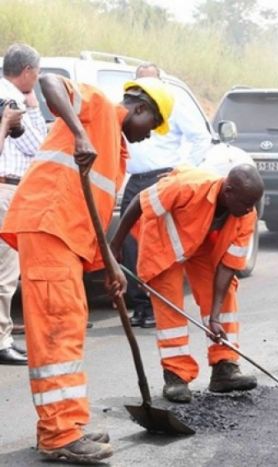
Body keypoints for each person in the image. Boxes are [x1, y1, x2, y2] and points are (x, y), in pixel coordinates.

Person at [0, 73, 173, 463]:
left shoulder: (118, 151)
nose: (150, 135)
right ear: (140, 108)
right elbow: (48, 83)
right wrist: (79, 133)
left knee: (70, 328)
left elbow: (92, 212)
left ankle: (69, 424)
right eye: (152, 125)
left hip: (66, 238)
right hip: (47, 226)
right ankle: (58, 434)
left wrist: (110, 264)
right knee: (57, 331)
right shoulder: (99, 108)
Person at [110, 164, 263, 403]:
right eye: (245, 203)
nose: (249, 209)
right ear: (228, 190)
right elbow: (139, 201)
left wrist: (214, 317)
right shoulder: (188, 186)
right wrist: (115, 246)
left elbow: (227, 266)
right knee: (170, 307)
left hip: (202, 245)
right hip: (163, 244)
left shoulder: (246, 214)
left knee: (225, 295)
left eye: (253, 203)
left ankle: (225, 367)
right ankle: (176, 376)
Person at [121, 63, 211, 328]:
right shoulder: (129, 107)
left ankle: (155, 306)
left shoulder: (174, 102)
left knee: (155, 246)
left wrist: (180, 172)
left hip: (161, 178)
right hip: (134, 180)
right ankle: (140, 306)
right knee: (130, 246)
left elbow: (200, 138)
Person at [0, 43, 46, 366]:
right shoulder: (13, 99)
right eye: (38, 73)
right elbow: (36, 144)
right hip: (7, 190)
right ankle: (2, 340)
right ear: (27, 72)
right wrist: (32, 106)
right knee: (6, 271)